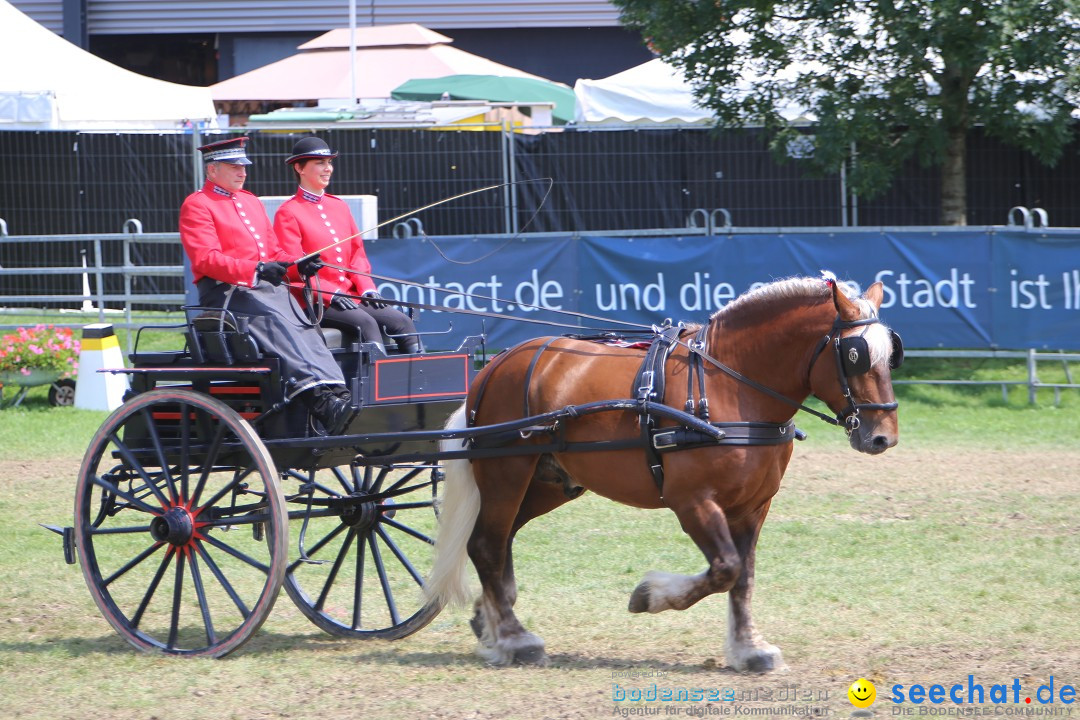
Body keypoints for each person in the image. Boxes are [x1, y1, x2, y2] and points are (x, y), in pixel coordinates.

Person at [179, 135, 356, 435]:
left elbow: (274, 252)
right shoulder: (197, 204)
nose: (242, 172)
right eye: (233, 166)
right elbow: (206, 259)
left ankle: (335, 393)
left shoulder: (250, 201)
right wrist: (256, 269)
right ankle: (318, 398)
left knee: (301, 317)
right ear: (212, 171)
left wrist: (297, 264)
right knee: (274, 317)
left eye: (243, 166)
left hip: (260, 287)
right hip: (225, 292)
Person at [274, 136, 423, 354]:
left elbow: (357, 255)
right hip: (316, 300)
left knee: (402, 322)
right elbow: (293, 269)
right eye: (319, 163)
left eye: (329, 163)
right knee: (367, 324)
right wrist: (330, 293)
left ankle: (420, 382)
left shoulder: (339, 206)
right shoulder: (288, 212)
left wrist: (367, 288)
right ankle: (376, 385)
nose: (327, 169)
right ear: (299, 168)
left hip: (351, 294)